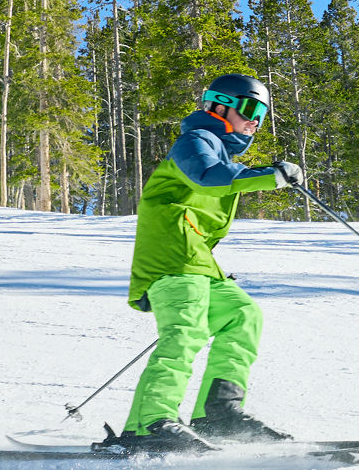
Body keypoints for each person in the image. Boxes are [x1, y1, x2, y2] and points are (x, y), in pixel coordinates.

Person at [98, 74, 305, 454]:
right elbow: (208, 178)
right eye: (249, 108)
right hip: (170, 258)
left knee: (243, 314)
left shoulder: (221, 153)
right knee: (186, 331)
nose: (255, 120)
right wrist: (267, 176)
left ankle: (219, 413)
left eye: (261, 112)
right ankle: (149, 425)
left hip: (196, 260)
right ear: (219, 105)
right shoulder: (195, 142)